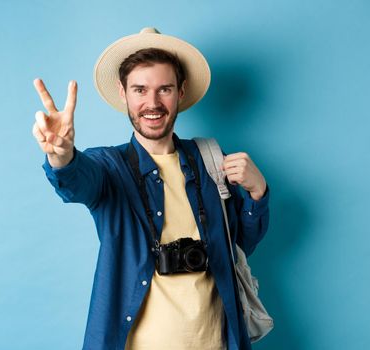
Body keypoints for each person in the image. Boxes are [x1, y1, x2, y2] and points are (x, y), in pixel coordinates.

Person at [32, 27, 270, 350]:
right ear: (123, 92)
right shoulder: (110, 167)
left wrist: (257, 193)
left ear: (181, 91)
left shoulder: (211, 161)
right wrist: (61, 157)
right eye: (140, 90)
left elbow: (239, 245)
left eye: (164, 89)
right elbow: (77, 182)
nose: (152, 103)